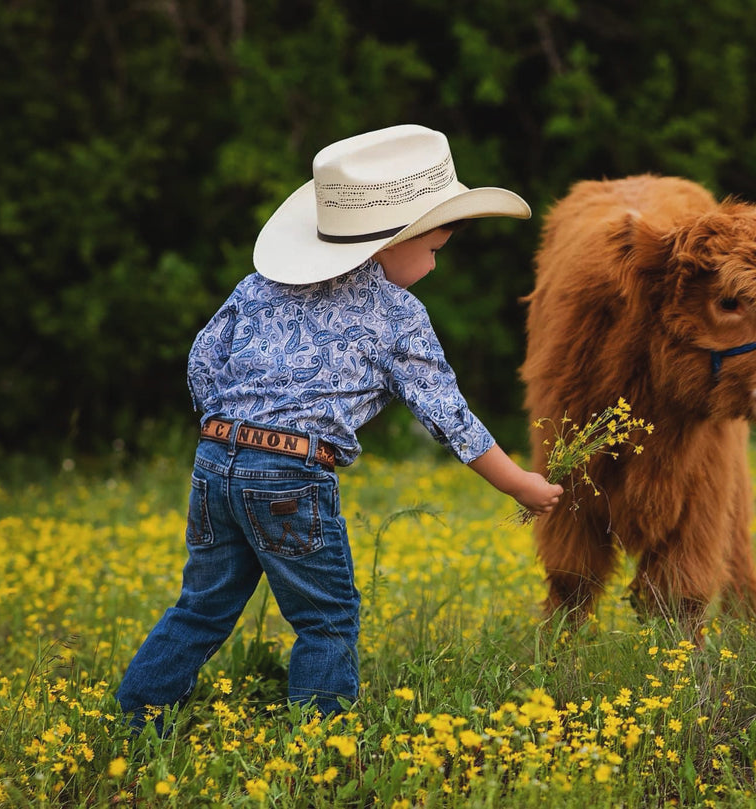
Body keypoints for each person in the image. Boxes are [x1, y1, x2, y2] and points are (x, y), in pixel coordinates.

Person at [116, 124, 563, 734]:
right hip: (291, 474)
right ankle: (319, 744)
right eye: (434, 249)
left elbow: (203, 356)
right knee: (326, 618)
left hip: (215, 459)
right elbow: (449, 416)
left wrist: (227, 427)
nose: (435, 263)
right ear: (392, 242)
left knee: (202, 607)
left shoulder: (260, 286)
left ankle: (135, 723)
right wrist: (519, 484)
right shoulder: (397, 314)